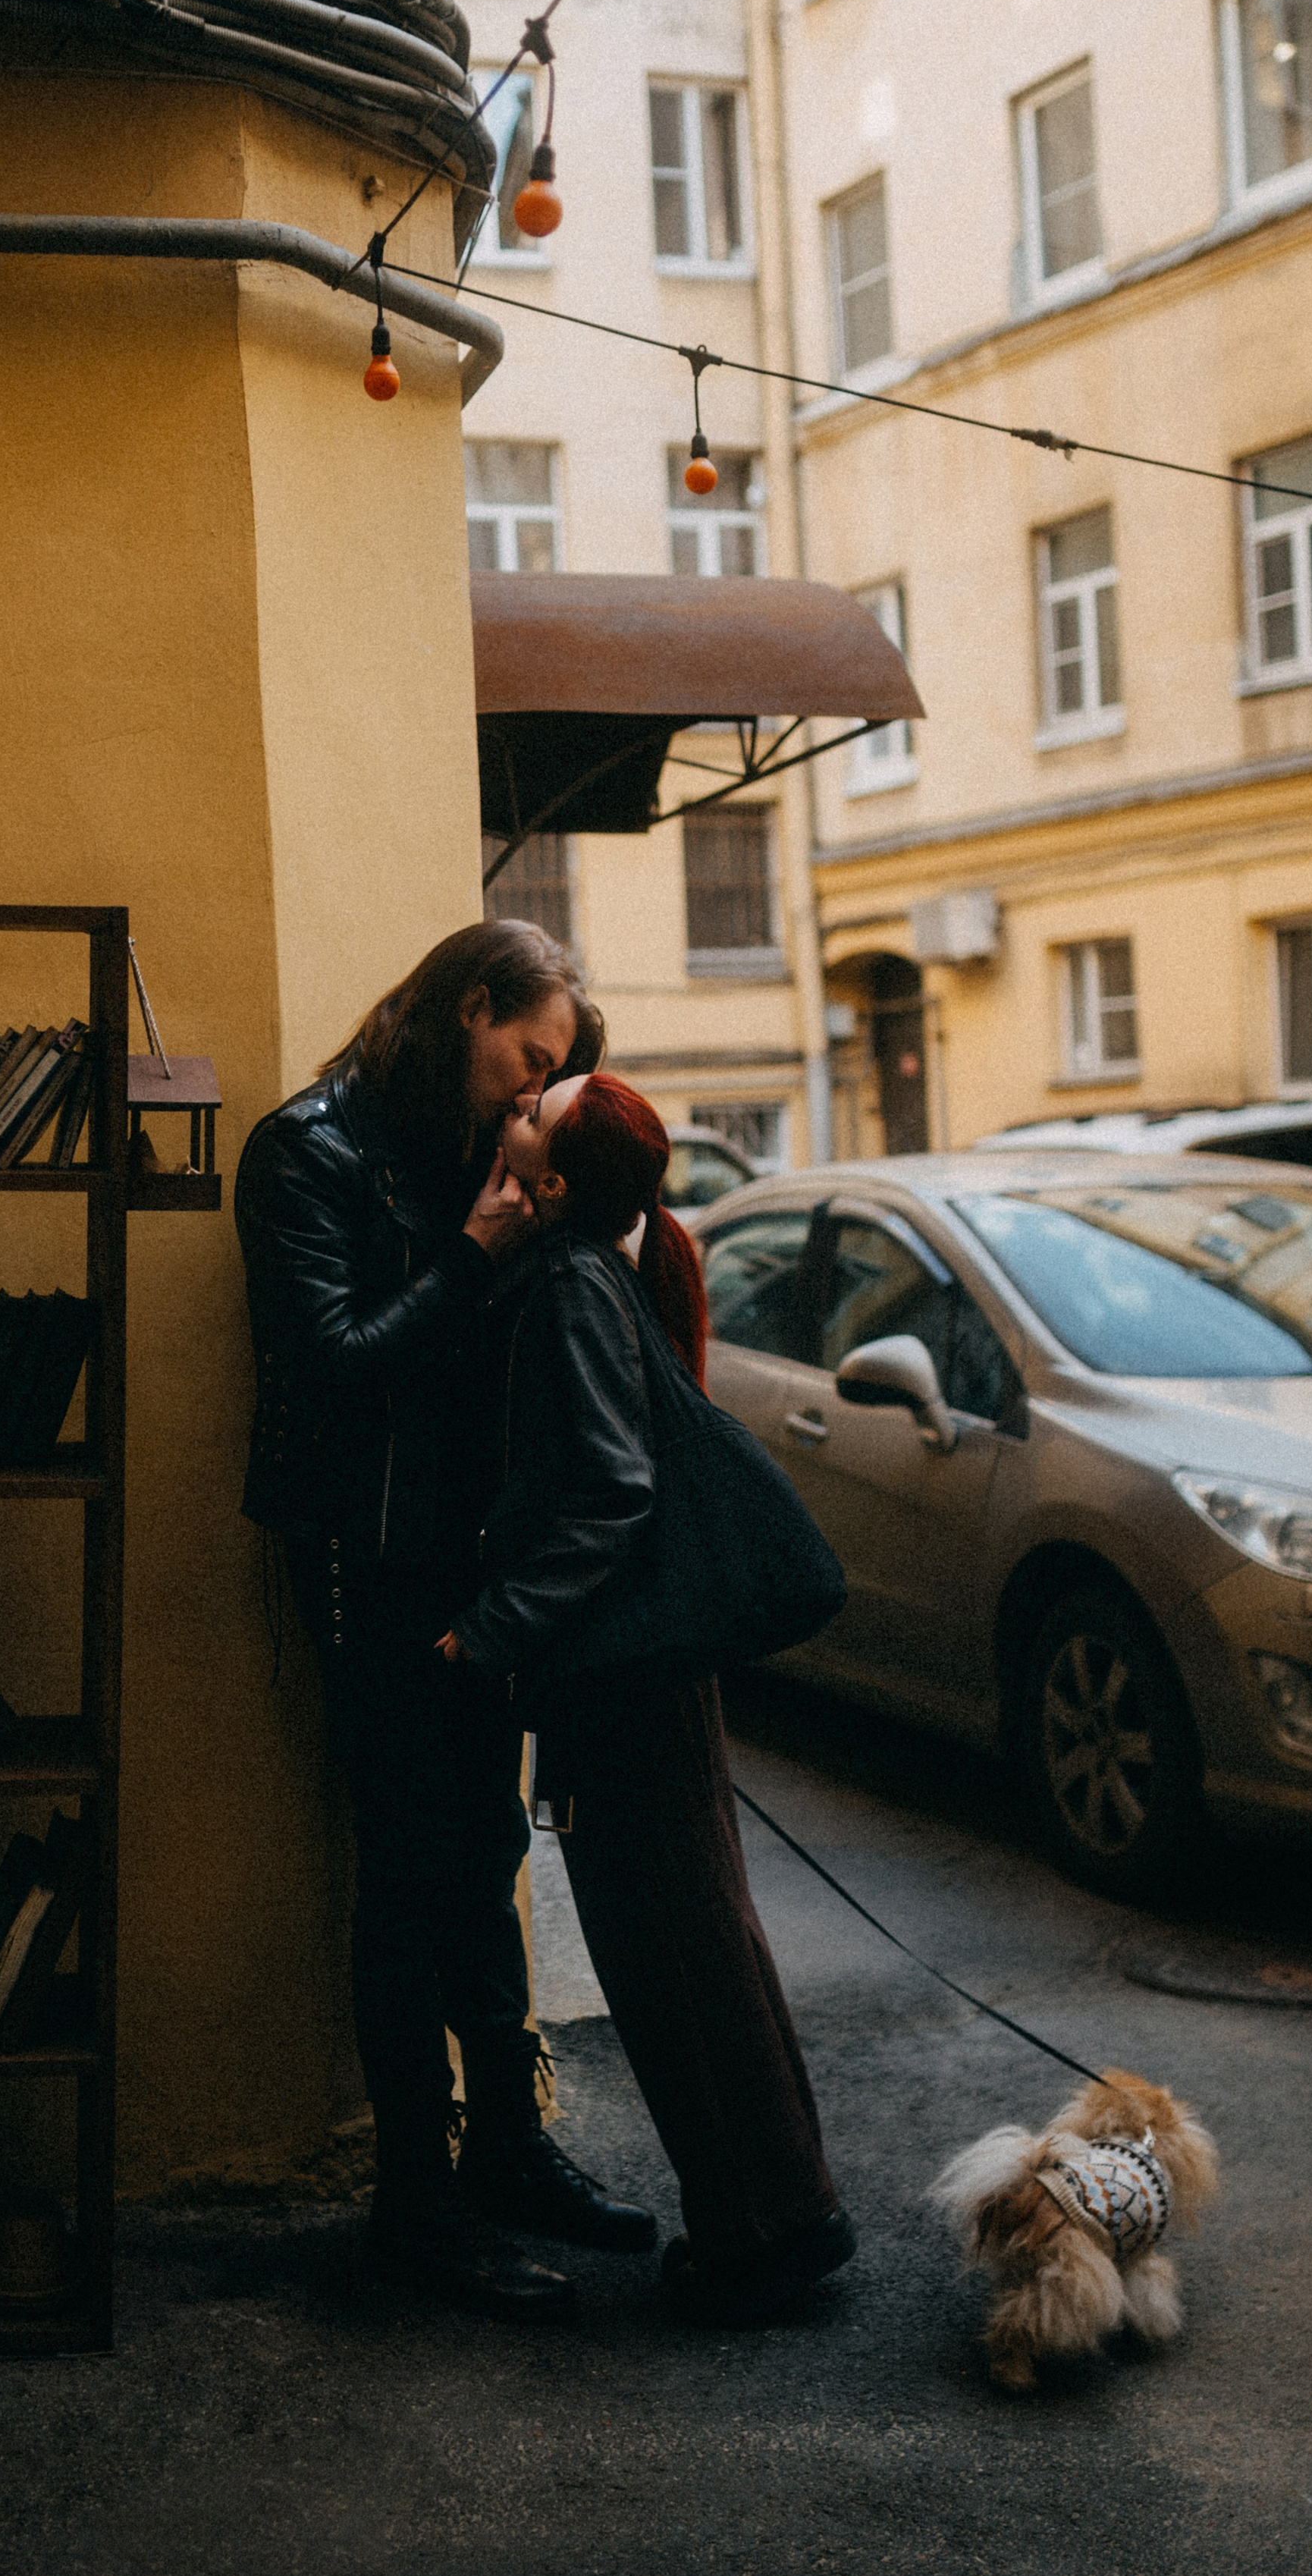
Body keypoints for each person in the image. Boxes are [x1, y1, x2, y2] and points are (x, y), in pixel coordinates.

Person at [236, 923, 657, 2324]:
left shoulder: (459, 1136)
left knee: (482, 1856)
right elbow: (339, 1363)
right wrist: (480, 1252)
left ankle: (510, 2156)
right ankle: (415, 2211)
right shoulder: (308, 1151)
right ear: (467, 1006)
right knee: (409, 1880)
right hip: (369, 1562)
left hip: (477, 1569)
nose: (526, 1088)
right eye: (524, 1056)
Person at [441, 1072, 855, 2327]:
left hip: (627, 1681)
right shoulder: (582, 1264)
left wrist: (489, 1632)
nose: (512, 1105)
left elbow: (611, 1492)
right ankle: (779, 2213)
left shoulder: (569, 1283)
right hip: (643, 1678)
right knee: (700, 1939)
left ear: (553, 1179)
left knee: (673, 1954)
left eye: (533, 1110)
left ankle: (764, 2236)